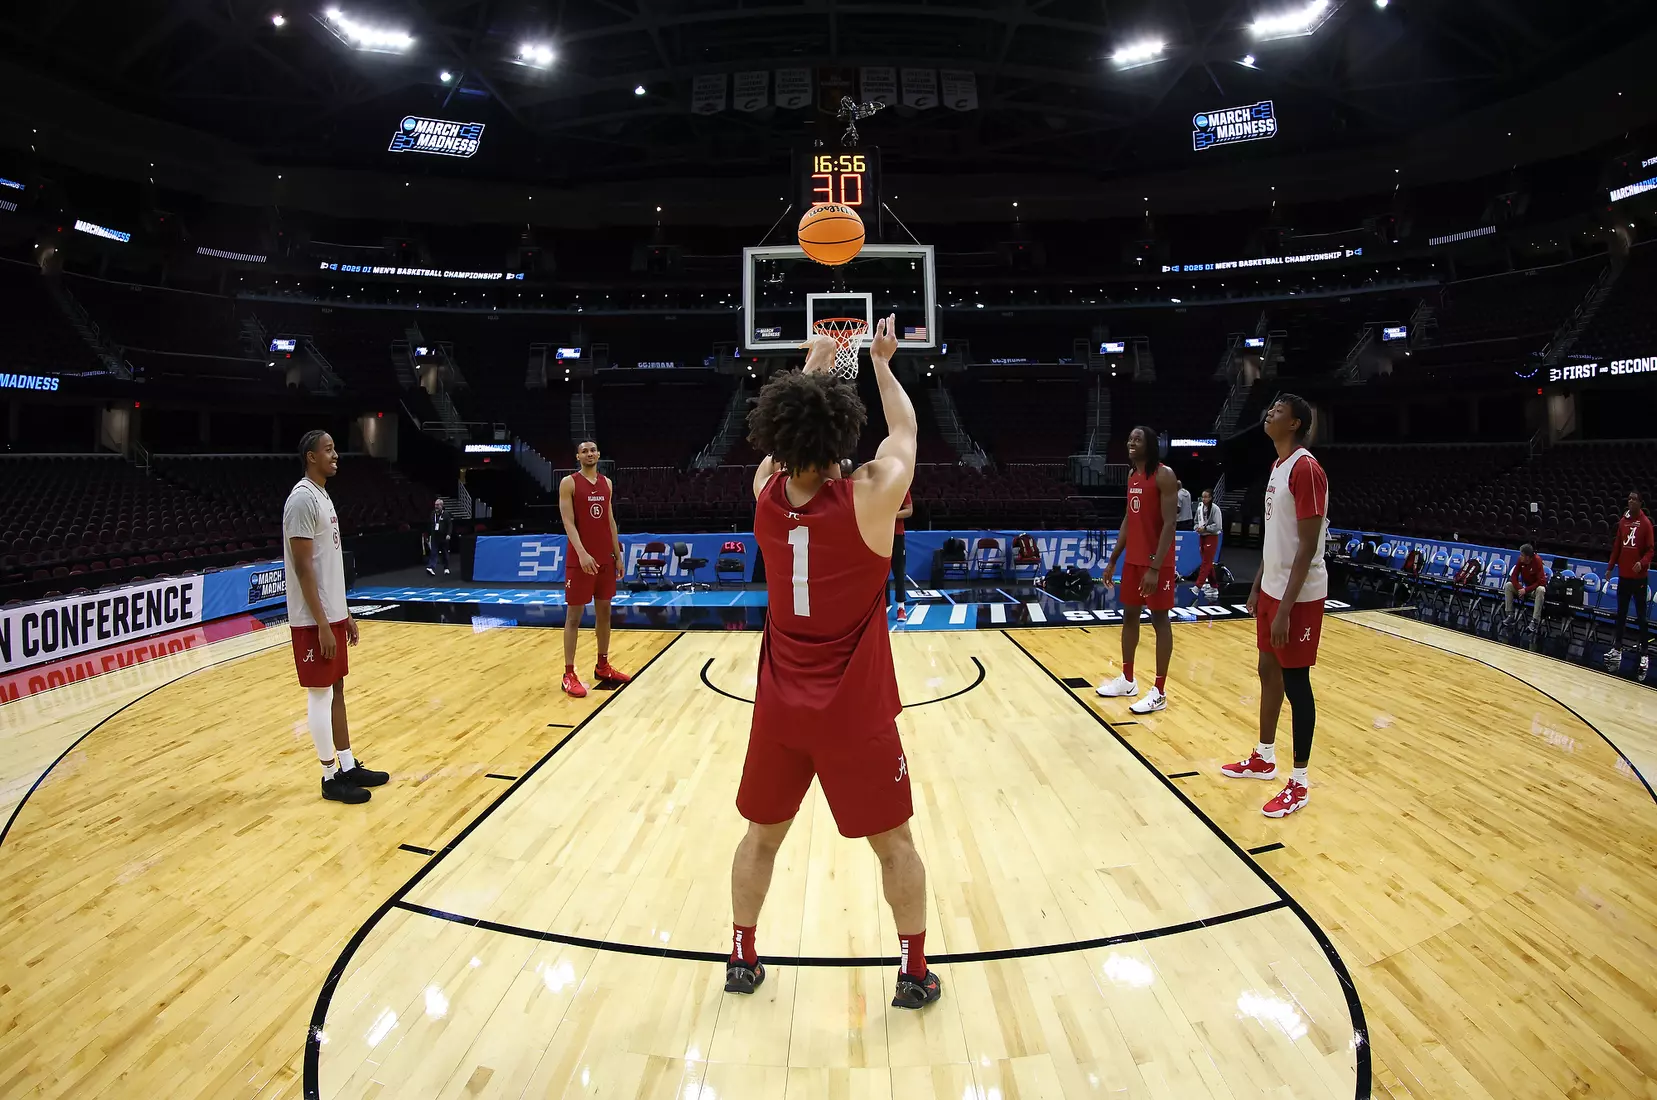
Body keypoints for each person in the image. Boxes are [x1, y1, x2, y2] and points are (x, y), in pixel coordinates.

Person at [726, 316, 941, 1011]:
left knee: (760, 839)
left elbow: (795, 421)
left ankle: (741, 956)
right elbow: (904, 434)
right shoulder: (872, 498)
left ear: (780, 438)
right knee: (895, 846)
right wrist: (879, 365)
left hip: (781, 709)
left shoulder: (762, 491)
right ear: (841, 436)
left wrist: (816, 360)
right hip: (852, 712)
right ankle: (913, 971)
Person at [1219, 394, 1328, 818]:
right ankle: (1264, 757)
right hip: (1272, 589)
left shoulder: (1306, 468)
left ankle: (1299, 783)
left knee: (1297, 684)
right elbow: (1275, 539)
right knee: (1267, 669)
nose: (1269, 413)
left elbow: (1307, 545)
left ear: (1296, 423)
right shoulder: (1277, 467)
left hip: (1298, 596)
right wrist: (1260, 585)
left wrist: (1284, 606)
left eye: (1278, 411)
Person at [283, 430, 389, 804]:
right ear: (310, 456)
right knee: (320, 693)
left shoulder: (322, 495)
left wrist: (344, 613)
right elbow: (303, 569)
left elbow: (328, 566)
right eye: (328, 450)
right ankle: (329, 776)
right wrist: (324, 623)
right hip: (312, 618)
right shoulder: (300, 500)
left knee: (338, 687)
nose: (335, 455)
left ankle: (346, 763)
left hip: (330, 614)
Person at [1095, 426, 1179, 714]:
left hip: (1158, 563)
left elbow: (1170, 524)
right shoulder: (1132, 476)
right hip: (1133, 560)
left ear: (1150, 444)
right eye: (1129, 437)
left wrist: (1155, 567)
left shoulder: (1165, 475)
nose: (1131, 442)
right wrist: (1113, 559)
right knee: (1129, 615)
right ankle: (1128, 679)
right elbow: (1129, 520)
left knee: (1160, 620)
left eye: (1137, 438)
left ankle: (1159, 690)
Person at [557, 441, 632, 697]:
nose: (589, 454)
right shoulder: (569, 483)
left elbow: (610, 521)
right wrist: (582, 554)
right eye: (584, 451)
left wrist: (618, 556)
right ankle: (568, 674)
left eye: (593, 450)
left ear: (598, 454)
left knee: (604, 614)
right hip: (580, 560)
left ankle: (603, 665)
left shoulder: (607, 483)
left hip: (604, 559)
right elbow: (567, 521)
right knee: (574, 618)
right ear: (578, 456)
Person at [1605, 489, 1653, 671]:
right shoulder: (1623, 522)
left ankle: (1645, 654)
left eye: (1634, 499)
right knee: (1621, 613)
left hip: (1639, 578)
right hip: (1624, 576)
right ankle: (1617, 648)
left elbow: (1650, 550)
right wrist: (1610, 567)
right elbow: (1617, 546)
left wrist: (1642, 563)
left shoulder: (1646, 524)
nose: (1631, 501)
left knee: (1641, 617)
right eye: (1629, 498)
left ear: (1640, 503)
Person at [1503, 543, 1545, 626]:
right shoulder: (1520, 560)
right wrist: (1519, 589)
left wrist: (1525, 590)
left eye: (1522, 555)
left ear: (1528, 557)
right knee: (1508, 585)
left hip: (1534, 590)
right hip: (1524, 588)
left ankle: (1535, 621)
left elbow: (1541, 582)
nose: (1520, 556)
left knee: (1541, 589)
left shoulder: (1537, 561)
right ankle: (1510, 615)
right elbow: (1514, 576)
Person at [1193, 488, 1223, 597]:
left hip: (1212, 537)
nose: (1204, 499)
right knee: (1208, 562)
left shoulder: (1215, 509)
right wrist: (1197, 528)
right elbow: (1196, 521)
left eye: (1206, 497)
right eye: (1203, 497)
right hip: (1202, 536)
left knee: (1206, 562)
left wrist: (1206, 528)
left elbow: (1218, 525)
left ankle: (1198, 586)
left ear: (1210, 498)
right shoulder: (1200, 508)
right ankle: (1214, 586)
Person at [893, 489, 913, 622]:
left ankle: (901, 607)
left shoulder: (901, 486)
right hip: (878, 535)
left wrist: (892, 515)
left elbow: (909, 510)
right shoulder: (877, 486)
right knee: (878, 574)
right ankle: (881, 607)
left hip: (897, 535)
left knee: (899, 572)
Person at [426, 498, 452, 576]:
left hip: (443, 537)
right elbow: (431, 525)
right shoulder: (432, 514)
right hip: (435, 537)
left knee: (444, 553)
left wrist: (449, 534)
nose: (436, 506)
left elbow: (450, 525)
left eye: (437, 505)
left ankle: (446, 568)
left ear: (441, 506)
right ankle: (431, 567)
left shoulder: (446, 514)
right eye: (435, 505)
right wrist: (429, 535)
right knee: (433, 552)